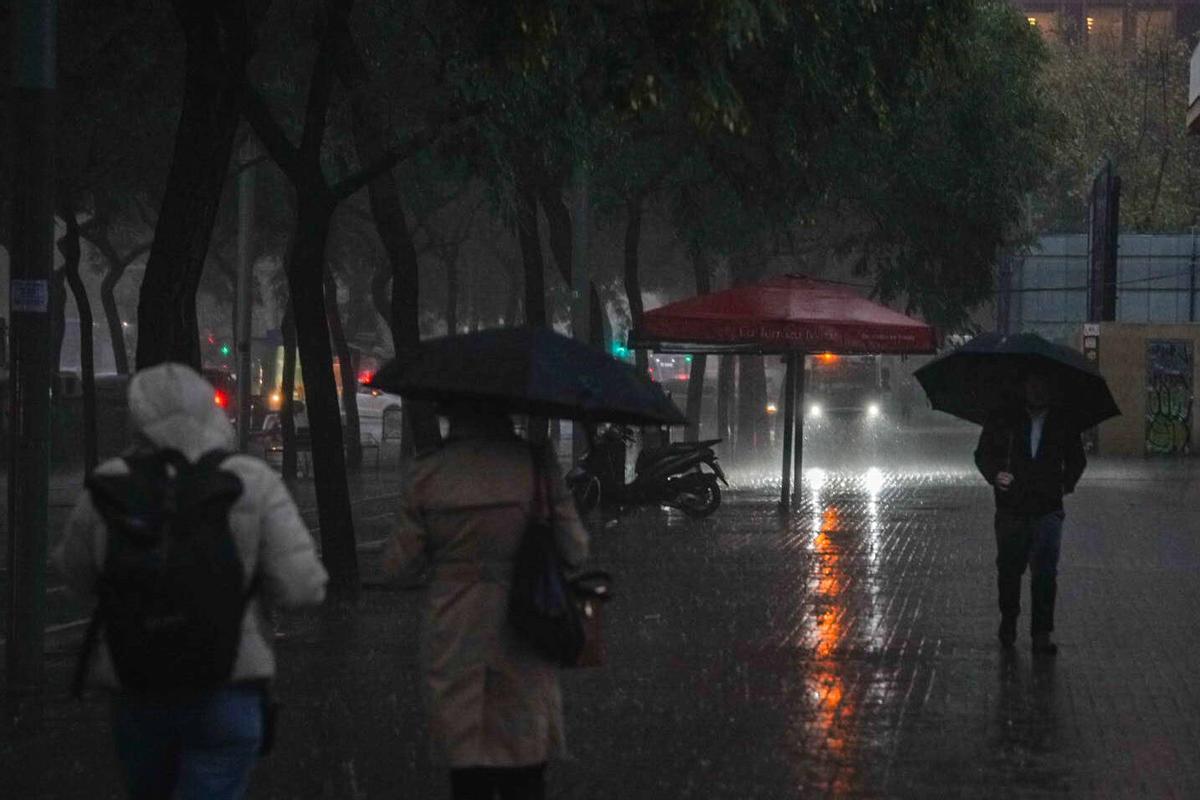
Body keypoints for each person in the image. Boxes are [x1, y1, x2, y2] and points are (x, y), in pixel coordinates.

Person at [55, 363, 328, 799]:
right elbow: (303, 588)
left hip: (137, 686)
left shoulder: (109, 485)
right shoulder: (251, 480)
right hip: (228, 685)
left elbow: (75, 578)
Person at [382, 402, 589, 800]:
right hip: (526, 622)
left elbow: (397, 567)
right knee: (524, 762)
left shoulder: (429, 471)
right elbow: (575, 551)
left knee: (467, 766)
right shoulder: (535, 467)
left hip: (454, 628)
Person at [974, 370, 1086, 655]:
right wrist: (995, 474)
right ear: (1024, 385)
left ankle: (1041, 633)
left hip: (1048, 508)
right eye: (1033, 383)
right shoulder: (1004, 418)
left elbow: (1077, 459)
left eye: (1043, 383)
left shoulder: (1062, 421)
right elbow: (983, 453)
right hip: (1012, 507)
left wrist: (1064, 484)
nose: (1037, 389)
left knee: (1045, 573)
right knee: (1009, 569)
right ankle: (1009, 619)